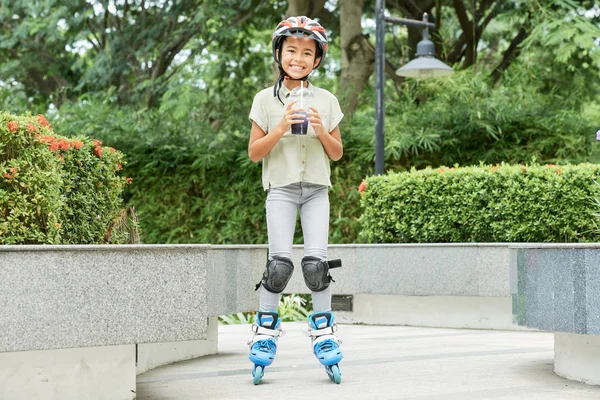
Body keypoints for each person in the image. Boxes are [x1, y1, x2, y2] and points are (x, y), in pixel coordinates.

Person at [246, 16, 344, 385]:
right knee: (280, 265)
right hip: (282, 190)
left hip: (317, 189)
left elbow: (336, 154)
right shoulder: (264, 100)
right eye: (292, 51)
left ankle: (325, 334)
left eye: (307, 52)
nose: (298, 58)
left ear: (317, 59)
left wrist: (320, 129)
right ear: (279, 54)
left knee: (317, 265)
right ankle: (265, 334)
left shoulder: (326, 100)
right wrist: (282, 126)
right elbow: (255, 153)